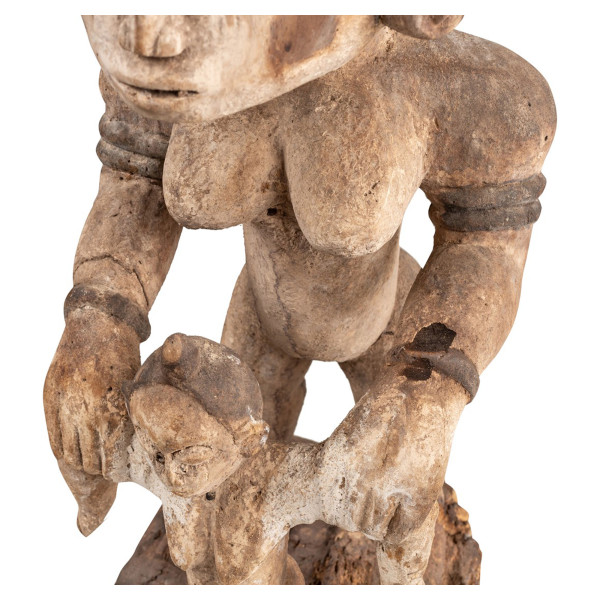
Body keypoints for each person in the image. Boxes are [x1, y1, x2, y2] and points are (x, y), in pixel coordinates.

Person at [43, 15, 556, 583]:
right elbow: (133, 171)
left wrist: (429, 389)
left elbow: (484, 240)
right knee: (228, 524)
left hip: (393, 327)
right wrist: (99, 319)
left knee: (398, 512)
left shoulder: (468, 89)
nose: (147, 35)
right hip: (262, 315)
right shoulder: (155, 71)